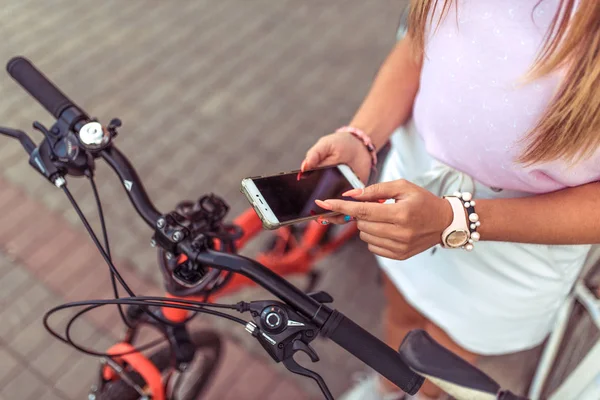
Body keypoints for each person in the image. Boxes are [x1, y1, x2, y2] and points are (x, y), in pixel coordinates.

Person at [302, 1, 600, 399]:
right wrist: (362, 136)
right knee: (400, 311)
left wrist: (452, 220)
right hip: (411, 183)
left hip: (516, 239)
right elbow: (418, 44)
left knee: (443, 353)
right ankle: (387, 388)